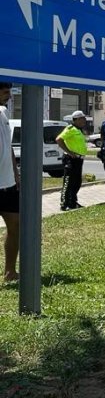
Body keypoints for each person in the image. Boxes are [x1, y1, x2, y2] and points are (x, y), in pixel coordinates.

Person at [0, 83, 20, 282]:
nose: (10, 97)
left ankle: (10, 272)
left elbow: (9, 147)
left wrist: (16, 174)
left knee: (16, 225)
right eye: (6, 92)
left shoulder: (4, 113)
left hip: (8, 184)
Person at [56, 111, 88, 211]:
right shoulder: (70, 129)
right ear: (76, 120)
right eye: (82, 118)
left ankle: (73, 202)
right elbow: (59, 139)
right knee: (68, 181)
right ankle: (64, 203)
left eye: (84, 118)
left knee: (77, 181)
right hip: (71, 159)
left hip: (79, 159)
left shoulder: (79, 130)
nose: (84, 120)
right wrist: (69, 152)